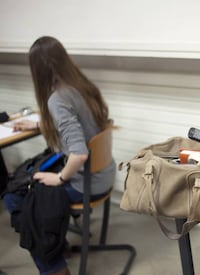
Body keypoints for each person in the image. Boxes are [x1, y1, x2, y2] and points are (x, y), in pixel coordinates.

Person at [2, 36, 115, 275]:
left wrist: (60, 178)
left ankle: (54, 267)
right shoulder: (82, 86)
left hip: (85, 182)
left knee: (16, 196)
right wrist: (38, 125)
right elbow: (80, 127)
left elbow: (79, 154)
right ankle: (57, 244)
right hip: (104, 174)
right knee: (29, 180)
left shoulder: (57, 100)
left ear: (38, 70)